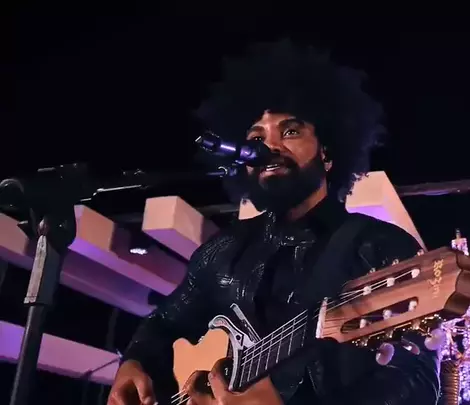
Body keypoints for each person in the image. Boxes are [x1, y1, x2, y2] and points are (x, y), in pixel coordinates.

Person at [107, 40, 440, 405]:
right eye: (256, 138)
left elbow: (418, 384)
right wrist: (134, 362)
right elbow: (164, 323)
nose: (270, 147)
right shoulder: (220, 253)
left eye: (290, 132)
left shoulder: (380, 245)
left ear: (328, 153)